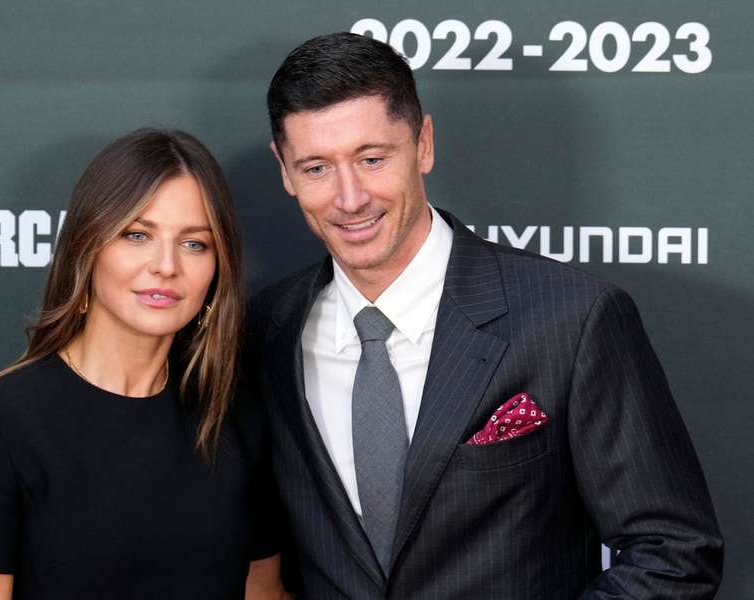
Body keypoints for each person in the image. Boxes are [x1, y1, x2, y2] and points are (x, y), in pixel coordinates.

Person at [246, 33, 724, 598]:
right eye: (317, 168)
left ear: (423, 143)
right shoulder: (264, 332)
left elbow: (673, 553)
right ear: (284, 169)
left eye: (372, 159)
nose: (349, 199)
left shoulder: (571, 319)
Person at [0, 129, 286, 599]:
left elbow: (264, 593)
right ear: (87, 246)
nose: (165, 265)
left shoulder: (236, 417)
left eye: (195, 244)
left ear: (218, 269)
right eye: (137, 235)